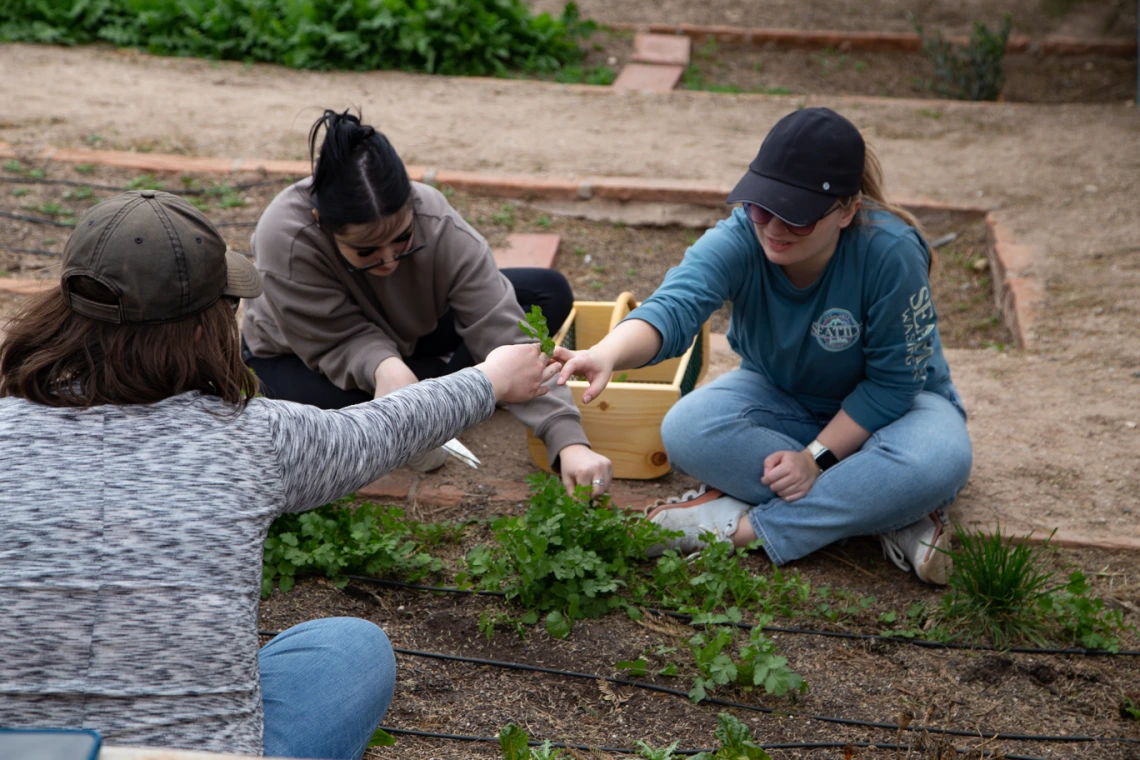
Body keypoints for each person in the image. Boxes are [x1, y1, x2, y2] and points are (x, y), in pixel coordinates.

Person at [0, 191, 559, 758]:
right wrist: (489, 380)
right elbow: (378, 432)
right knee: (349, 645)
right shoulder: (256, 437)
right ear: (202, 329)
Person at [555, 108, 973, 585]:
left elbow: (893, 385)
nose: (774, 227)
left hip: (901, 411)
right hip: (782, 397)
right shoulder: (739, 238)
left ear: (847, 210)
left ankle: (737, 527)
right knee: (687, 428)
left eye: (797, 217)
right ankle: (893, 514)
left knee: (937, 460)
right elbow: (675, 306)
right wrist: (607, 353)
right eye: (762, 205)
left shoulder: (890, 252)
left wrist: (814, 459)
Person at [242, 109, 612, 494]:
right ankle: (448, 387)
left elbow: (506, 331)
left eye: (402, 239)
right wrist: (385, 368)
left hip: (409, 332)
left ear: (411, 205)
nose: (387, 260)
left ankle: (439, 387)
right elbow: (335, 340)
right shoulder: (285, 236)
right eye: (366, 250)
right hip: (302, 356)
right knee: (300, 414)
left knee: (547, 293)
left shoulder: (435, 217)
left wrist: (569, 442)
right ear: (321, 223)